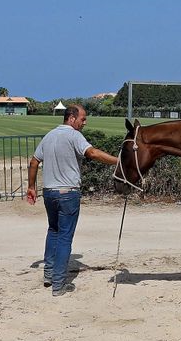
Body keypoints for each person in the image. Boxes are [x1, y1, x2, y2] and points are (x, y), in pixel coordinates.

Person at [26, 104, 118, 296]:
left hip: (49, 193)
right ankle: (59, 285)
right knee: (65, 237)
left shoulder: (49, 136)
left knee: (53, 231)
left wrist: (31, 187)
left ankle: (49, 275)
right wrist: (118, 161)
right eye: (83, 119)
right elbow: (92, 153)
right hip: (68, 193)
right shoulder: (74, 135)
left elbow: (34, 162)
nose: (85, 122)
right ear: (71, 118)